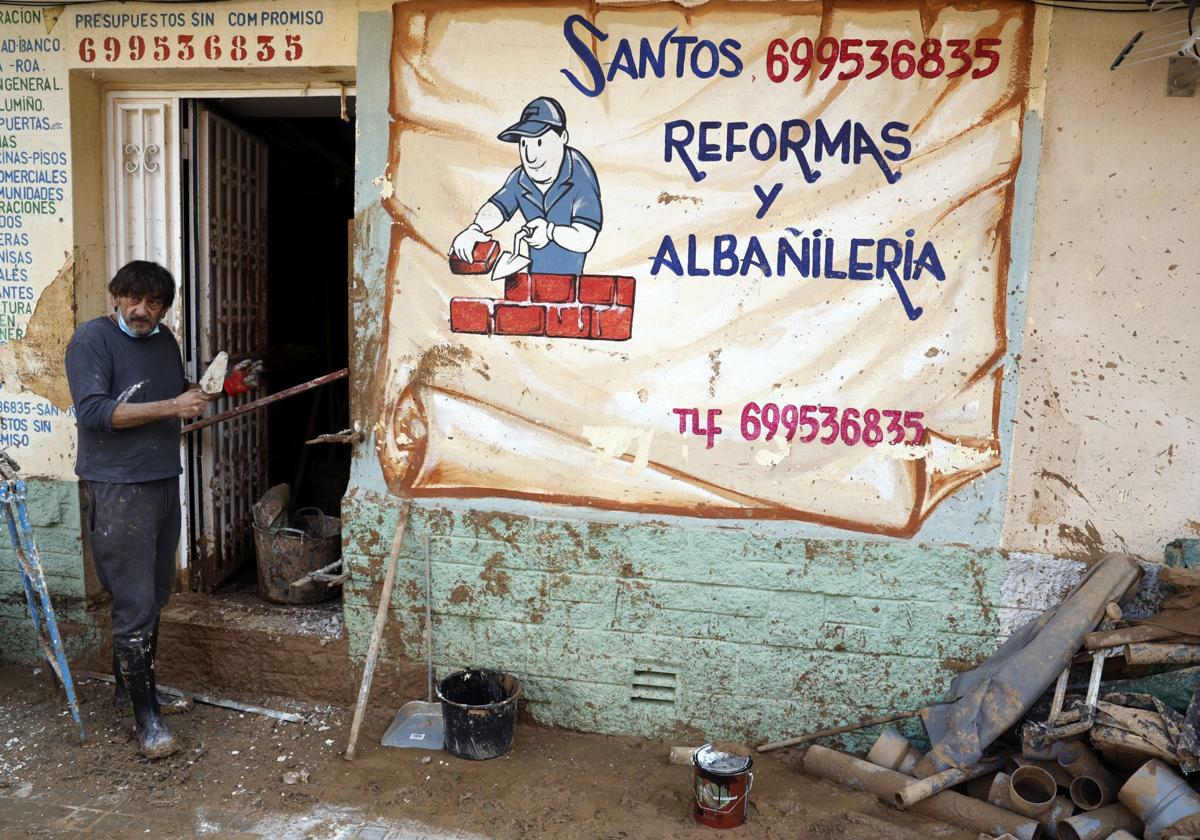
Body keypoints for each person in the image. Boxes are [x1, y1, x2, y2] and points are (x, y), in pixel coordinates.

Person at [64, 260, 258, 759]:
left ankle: (129, 688)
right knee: (132, 604)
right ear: (115, 295)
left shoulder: (163, 341)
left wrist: (225, 385)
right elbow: (93, 413)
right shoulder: (92, 340)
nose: (143, 310)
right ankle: (147, 719)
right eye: (134, 299)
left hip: (160, 482)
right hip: (116, 487)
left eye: (154, 303)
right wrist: (173, 408)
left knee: (154, 592)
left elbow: (180, 392)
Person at [451, 96, 603, 275]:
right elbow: (497, 207)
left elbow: (586, 238)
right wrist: (475, 229)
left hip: (572, 284)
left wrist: (549, 231)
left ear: (562, 137)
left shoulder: (579, 174)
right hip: (534, 279)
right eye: (524, 144)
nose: (530, 157)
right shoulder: (521, 178)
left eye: (539, 142)